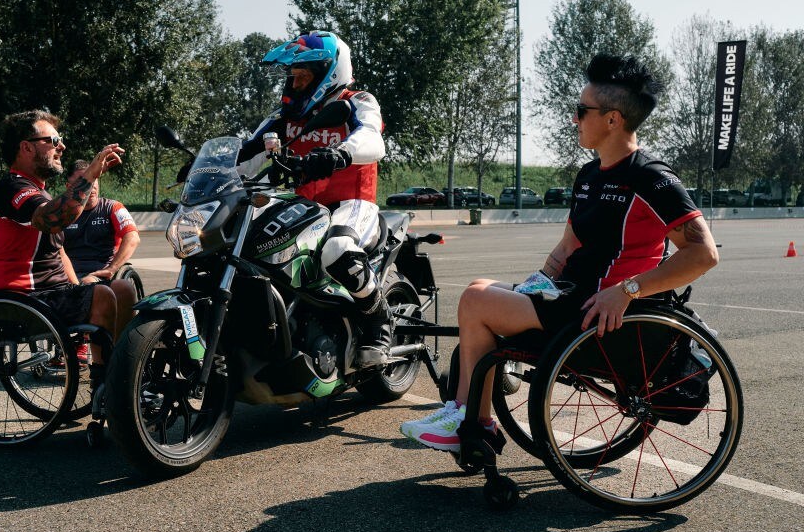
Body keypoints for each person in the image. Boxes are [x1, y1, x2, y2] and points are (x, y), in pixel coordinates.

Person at [400, 53, 720, 452]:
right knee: (481, 287)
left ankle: (472, 421)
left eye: (581, 110)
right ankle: (467, 415)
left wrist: (627, 291)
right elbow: (568, 245)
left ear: (612, 119)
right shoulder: (589, 175)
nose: (574, 119)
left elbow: (703, 254)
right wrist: (538, 282)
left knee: (474, 300)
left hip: (603, 312)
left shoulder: (652, 178)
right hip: (571, 296)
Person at [238, 30, 390, 368]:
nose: (295, 85)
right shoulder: (285, 118)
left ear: (328, 73)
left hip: (352, 204)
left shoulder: (357, 101)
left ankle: (379, 322)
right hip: (305, 208)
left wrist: (339, 154)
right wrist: (209, 168)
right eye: (293, 77)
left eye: (303, 77)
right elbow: (248, 152)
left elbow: (372, 139)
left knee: (337, 250)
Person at [0, 109, 130, 393]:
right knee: (104, 296)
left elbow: (59, 253)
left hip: (47, 294)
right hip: (18, 298)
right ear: (26, 147)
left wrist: (78, 286)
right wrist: (91, 173)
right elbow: (54, 218)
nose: (61, 146)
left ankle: (126, 369)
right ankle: (108, 384)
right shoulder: (12, 188)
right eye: (53, 140)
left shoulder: (40, 191)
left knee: (123, 290)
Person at [61, 158, 140, 333]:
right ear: (69, 186)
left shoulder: (113, 207)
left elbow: (132, 237)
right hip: (67, 274)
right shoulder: (62, 214)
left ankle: (117, 346)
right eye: (85, 180)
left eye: (94, 178)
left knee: (105, 285)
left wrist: (112, 268)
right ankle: (75, 345)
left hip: (101, 273)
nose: (92, 185)